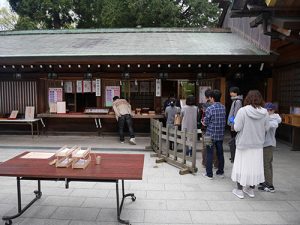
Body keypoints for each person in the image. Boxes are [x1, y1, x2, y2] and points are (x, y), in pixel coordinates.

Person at [231, 90, 270, 199]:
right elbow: (267, 128)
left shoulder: (242, 111)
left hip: (244, 143)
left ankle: (239, 190)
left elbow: (237, 127)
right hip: (257, 144)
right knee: (254, 167)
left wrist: (233, 124)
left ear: (248, 98)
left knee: (241, 166)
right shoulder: (265, 112)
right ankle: (251, 190)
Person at [202, 89, 226, 179]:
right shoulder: (223, 107)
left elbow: (206, 122)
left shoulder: (210, 108)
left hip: (209, 135)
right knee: (220, 153)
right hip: (220, 134)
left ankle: (209, 174)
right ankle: (220, 172)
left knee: (209, 153)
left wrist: (203, 122)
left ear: (212, 98)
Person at [258, 102, 282, 193]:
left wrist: (264, 120)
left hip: (268, 144)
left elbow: (273, 125)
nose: (268, 111)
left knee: (267, 164)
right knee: (264, 164)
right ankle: (264, 182)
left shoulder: (275, 118)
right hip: (263, 144)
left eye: (270, 110)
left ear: (273, 110)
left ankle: (270, 185)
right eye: (267, 110)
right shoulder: (267, 118)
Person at [199, 89, 218, 168]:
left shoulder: (204, 106)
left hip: (206, 129)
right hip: (216, 128)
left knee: (206, 146)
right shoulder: (217, 105)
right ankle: (216, 163)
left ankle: (205, 163)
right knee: (215, 146)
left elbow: (202, 118)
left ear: (207, 97)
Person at [227, 87, 243, 163]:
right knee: (233, 140)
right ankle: (233, 156)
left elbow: (235, 114)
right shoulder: (235, 101)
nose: (230, 93)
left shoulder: (237, 101)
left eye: (231, 92)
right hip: (233, 123)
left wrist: (233, 125)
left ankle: (234, 157)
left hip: (234, 124)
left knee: (234, 141)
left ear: (235, 93)